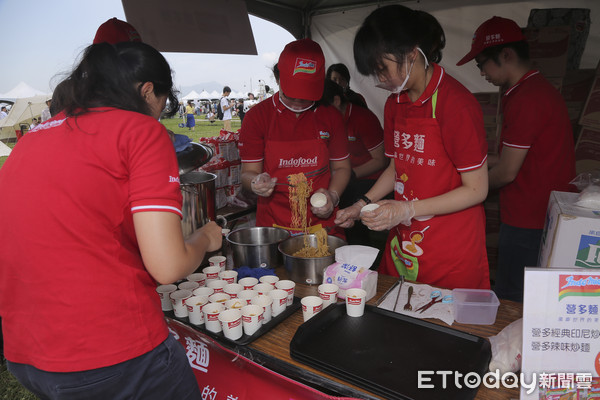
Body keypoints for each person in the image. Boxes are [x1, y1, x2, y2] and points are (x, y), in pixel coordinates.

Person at [0, 41, 222, 399]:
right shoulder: (139, 131)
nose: (159, 115)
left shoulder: (34, 137)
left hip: (28, 352)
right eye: (162, 105)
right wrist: (204, 239)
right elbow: (167, 267)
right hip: (110, 353)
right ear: (148, 91)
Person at [335, 5, 490, 290]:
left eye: (383, 69)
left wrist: (407, 209)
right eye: (375, 72)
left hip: (450, 247)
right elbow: (397, 167)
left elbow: (477, 189)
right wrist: (362, 204)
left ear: (411, 53)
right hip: (405, 242)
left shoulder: (456, 104)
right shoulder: (396, 102)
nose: (380, 80)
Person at [456, 16, 576, 301]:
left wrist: (470, 189)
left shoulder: (527, 98)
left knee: (514, 296)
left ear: (505, 54)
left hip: (530, 217)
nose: (482, 72)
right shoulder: (525, 91)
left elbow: (508, 171)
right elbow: (511, 156)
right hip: (533, 209)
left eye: (481, 62)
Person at [239, 38, 351, 237]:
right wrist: (256, 182)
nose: (298, 102)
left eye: (306, 95)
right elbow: (247, 173)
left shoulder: (331, 116)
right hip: (274, 227)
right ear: (277, 78)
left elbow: (341, 167)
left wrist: (332, 196)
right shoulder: (257, 117)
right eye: (291, 95)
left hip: (322, 226)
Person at [320, 79, 388, 246]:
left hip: (371, 180)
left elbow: (381, 160)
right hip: (346, 174)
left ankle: (355, 248)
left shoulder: (363, 119)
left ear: (336, 101)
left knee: (346, 196)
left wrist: (350, 174)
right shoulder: (325, 120)